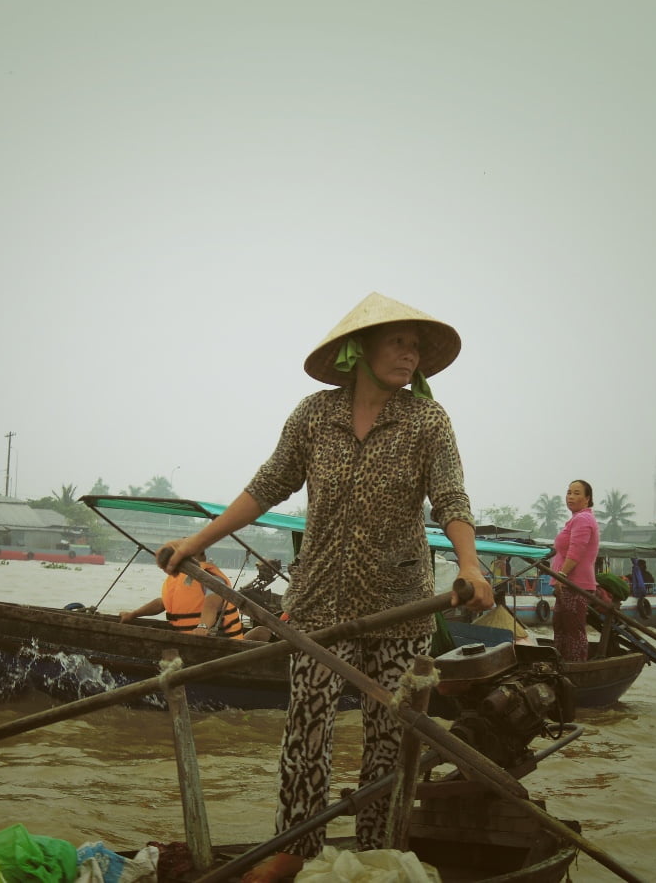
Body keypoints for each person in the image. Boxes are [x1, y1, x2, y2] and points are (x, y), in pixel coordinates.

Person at [155, 292, 493, 881]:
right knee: (304, 730)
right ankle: (297, 849)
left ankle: (375, 853)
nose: (409, 355)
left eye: (416, 346)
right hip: (317, 604)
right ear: (357, 349)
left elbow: (451, 497)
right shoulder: (315, 414)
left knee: (390, 734)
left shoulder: (426, 421)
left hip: (399, 606)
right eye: (397, 342)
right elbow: (266, 486)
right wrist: (195, 543)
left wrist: (471, 566)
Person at [120, 550, 261, 640]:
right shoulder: (181, 578)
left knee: (262, 632)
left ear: (198, 556)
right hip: (186, 638)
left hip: (221, 641)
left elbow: (211, 605)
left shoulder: (212, 578)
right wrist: (133, 614)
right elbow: (162, 603)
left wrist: (203, 626)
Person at [550, 479, 601, 663]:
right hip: (566, 584)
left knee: (573, 630)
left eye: (577, 493)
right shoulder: (575, 519)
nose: (571, 496)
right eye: (569, 492)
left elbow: (576, 550)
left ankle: (576, 667)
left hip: (575, 584)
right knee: (561, 627)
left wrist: (561, 577)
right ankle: (561, 664)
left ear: (587, 499)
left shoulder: (583, 519)